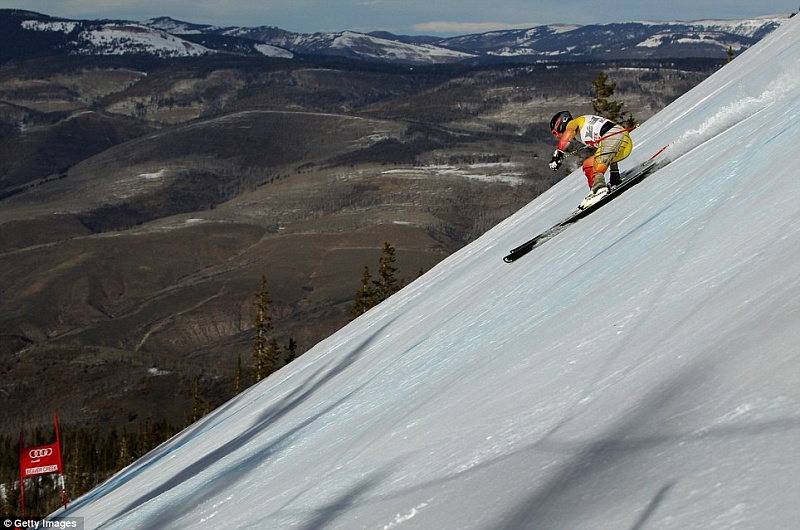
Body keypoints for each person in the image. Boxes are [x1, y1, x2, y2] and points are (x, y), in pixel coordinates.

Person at [547, 111, 633, 209]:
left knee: (599, 163)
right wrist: (614, 176)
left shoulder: (573, 123)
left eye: (555, 133)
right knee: (588, 165)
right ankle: (595, 189)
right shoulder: (581, 130)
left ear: (560, 124)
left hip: (617, 137)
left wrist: (558, 154)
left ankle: (599, 188)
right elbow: (608, 152)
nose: (557, 136)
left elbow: (568, 134)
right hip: (622, 144)